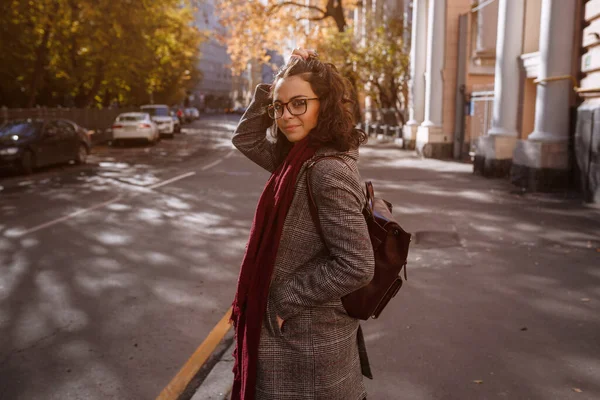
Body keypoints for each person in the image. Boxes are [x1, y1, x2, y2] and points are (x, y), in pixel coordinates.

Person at [230, 48, 375, 400]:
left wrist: (282, 300)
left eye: (299, 103)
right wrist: (276, 86)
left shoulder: (325, 170)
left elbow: (358, 265)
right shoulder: (296, 162)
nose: (285, 116)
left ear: (323, 105)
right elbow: (244, 139)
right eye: (279, 107)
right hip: (298, 337)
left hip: (306, 341)